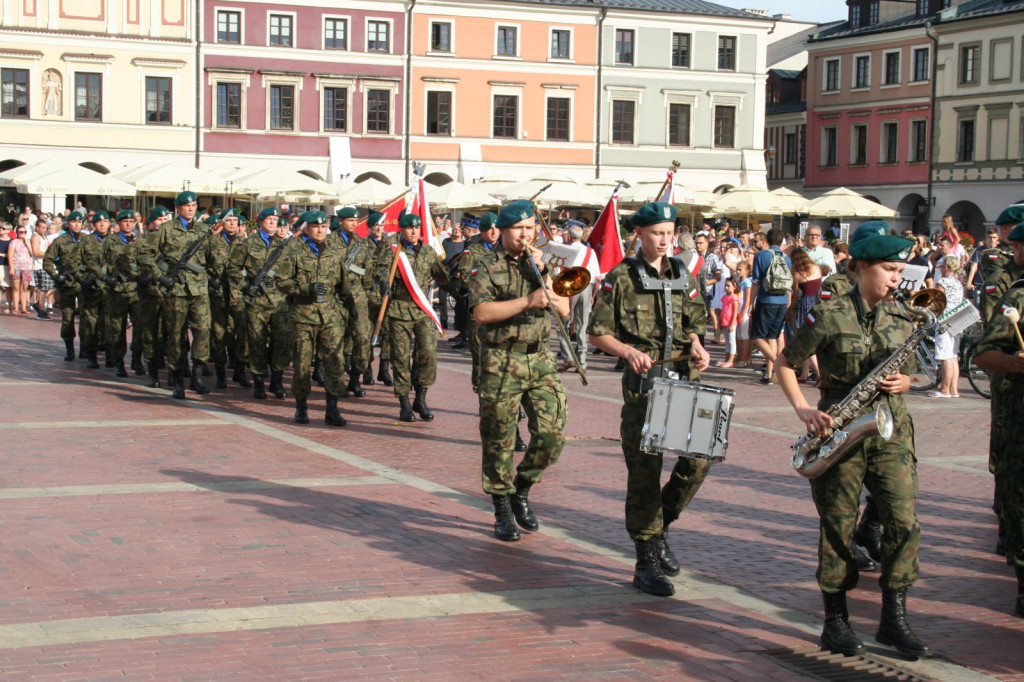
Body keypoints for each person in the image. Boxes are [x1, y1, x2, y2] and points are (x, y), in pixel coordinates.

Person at [775, 221, 932, 659]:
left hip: (892, 431)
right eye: (888, 270)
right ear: (863, 268)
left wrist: (911, 381)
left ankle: (894, 619)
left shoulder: (905, 316)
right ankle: (836, 621)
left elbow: (926, 371)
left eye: (900, 272)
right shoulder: (829, 314)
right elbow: (785, 364)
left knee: (903, 522)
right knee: (839, 526)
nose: (896, 280)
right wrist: (804, 408)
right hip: (840, 430)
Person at [587, 201, 712, 597]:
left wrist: (697, 345)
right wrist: (627, 352)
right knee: (645, 473)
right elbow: (597, 333)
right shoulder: (620, 277)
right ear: (638, 234)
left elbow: (695, 325)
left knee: (697, 462)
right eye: (657, 233)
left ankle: (660, 529)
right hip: (645, 387)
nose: (665, 240)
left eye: (670, 232)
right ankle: (645, 560)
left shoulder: (684, 274)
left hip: (684, 382)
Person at [470, 200, 569, 542]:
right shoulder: (484, 263)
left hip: (539, 359)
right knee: (499, 438)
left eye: (531, 228)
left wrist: (544, 278)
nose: (526, 235)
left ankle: (521, 489)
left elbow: (565, 309)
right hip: (501, 360)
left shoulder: (543, 263)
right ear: (503, 231)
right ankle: (501, 508)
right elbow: (482, 312)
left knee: (552, 433)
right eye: (519, 229)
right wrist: (528, 301)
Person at [974, 220, 1024, 618]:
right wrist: (1017, 364)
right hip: (1017, 412)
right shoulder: (1016, 296)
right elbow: (984, 353)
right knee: (1015, 487)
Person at [376, 212, 457, 422]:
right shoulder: (393, 251)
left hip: (422, 312)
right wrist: (384, 282)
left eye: (417, 228)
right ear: (402, 229)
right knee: (401, 358)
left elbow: (442, 276)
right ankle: (404, 403)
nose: (414, 232)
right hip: (399, 311)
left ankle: (420, 398)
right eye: (410, 228)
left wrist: (461, 293)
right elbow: (381, 270)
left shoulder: (428, 252)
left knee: (428, 355)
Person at [142, 191, 219, 399]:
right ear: (178, 208)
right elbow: (145, 254)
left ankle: (197, 374)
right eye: (187, 206)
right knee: (176, 335)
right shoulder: (166, 230)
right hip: (176, 290)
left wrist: (214, 274)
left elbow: (215, 259)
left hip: (200, 290)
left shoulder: (204, 230)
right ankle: (177, 378)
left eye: (194, 205)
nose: (191, 208)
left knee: (203, 331)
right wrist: (160, 275)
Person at [276, 211, 348, 426]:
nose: (320, 230)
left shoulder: (336, 252)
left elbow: (344, 284)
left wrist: (347, 309)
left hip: (330, 315)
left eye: (323, 226)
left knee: (335, 361)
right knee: (302, 363)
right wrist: (306, 288)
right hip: (303, 315)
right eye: (315, 226)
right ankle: (301, 406)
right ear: (307, 228)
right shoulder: (293, 249)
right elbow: (281, 281)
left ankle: (332, 408)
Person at [229, 206, 292, 400]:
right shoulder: (247, 244)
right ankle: (258, 380)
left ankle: (277, 380)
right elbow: (233, 269)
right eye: (269, 219)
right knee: (256, 341)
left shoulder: (287, 246)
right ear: (261, 222)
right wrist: (245, 286)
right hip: (256, 302)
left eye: (275, 219)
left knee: (282, 340)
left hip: (280, 302)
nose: (273, 222)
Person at [100, 209, 142, 377]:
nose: (128, 224)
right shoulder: (109, 242)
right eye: (125, 221)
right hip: (116, 291)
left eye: (131, 221)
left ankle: (137, 358)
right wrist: (105, 277)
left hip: (136, 290)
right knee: (117, 328)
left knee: (139, 327)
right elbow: (94, 262)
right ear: (118, 223)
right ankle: (119, 362)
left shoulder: (140, 240)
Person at [750, 228, 792, 384]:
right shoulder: (787, 258)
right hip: (782, 300)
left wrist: (750, 304)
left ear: (767, 239)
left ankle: (778, 364)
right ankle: (769, 373)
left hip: (766, 299)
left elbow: (756, 282)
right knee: (772, 337)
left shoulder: (761, 255)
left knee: (757, 336)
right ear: (782, 241)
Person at [556, 224, 599, 374]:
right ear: (581, 236)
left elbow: (558, 274)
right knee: (582, 326)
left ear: (569, 236)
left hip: (569, 289)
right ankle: (582, 362)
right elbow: (598, 278)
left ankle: (568, 357)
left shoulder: (566, 250)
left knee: (563, 324)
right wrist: (593, 296)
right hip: (587, 287)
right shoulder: (590, 251)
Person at [43, 210, 85, 359]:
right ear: (68, 223)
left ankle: (85, 348)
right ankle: (69, 348)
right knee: (68, 317)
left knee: (86, 318)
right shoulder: (60, 241)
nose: (77, 224)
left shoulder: (88, 240)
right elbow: (47, 260)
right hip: (67, 285)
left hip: (84, 285)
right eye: (74, 222)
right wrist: (55, 276)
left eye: (79, 222)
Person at [75, 211, 112, 368]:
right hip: (91, 290)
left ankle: (111, 355)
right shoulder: (86, 241)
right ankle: (91, 355)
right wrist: (81, 278)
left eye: (105, 221)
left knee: (110, 324)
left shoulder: (116, 241)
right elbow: (73, 262)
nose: (102, 224)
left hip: (110, 290)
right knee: (92, 324)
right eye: (99, 222)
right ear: (94, 224)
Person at [789, 248, 823, 383]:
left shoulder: (797, 274)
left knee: (806, 340)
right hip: (818, 302)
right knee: (812, 338)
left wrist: (790, 309)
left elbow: (796, 295)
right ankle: (804, 374)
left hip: (805, 304)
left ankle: (819, 373)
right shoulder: (816, 267)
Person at [8, 221, 33, 314]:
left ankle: (23, 307)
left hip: (27, 267)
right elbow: (10, 255)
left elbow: (32, 254)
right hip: (16, 266)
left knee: (24, 287)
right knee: (15, 287)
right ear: (17, 233)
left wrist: (27, 244)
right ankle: (15, 307)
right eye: (21, 232)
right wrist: (11, 268)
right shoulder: (13, 242)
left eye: (24, 232)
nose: (23, 234)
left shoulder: (28, 242)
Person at [715, 277, 739, 368]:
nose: (726, 288)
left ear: (734, 287)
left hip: (730, 323)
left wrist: (732, 324)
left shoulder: (734, 298)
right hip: (725, 322)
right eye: (725, 285)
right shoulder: (725, 297)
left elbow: (735, 312)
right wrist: (720, 321)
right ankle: (726, 359)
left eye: (728, 286)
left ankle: (731, 361)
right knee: (728, 342)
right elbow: (723, 310)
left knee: (732, 341)